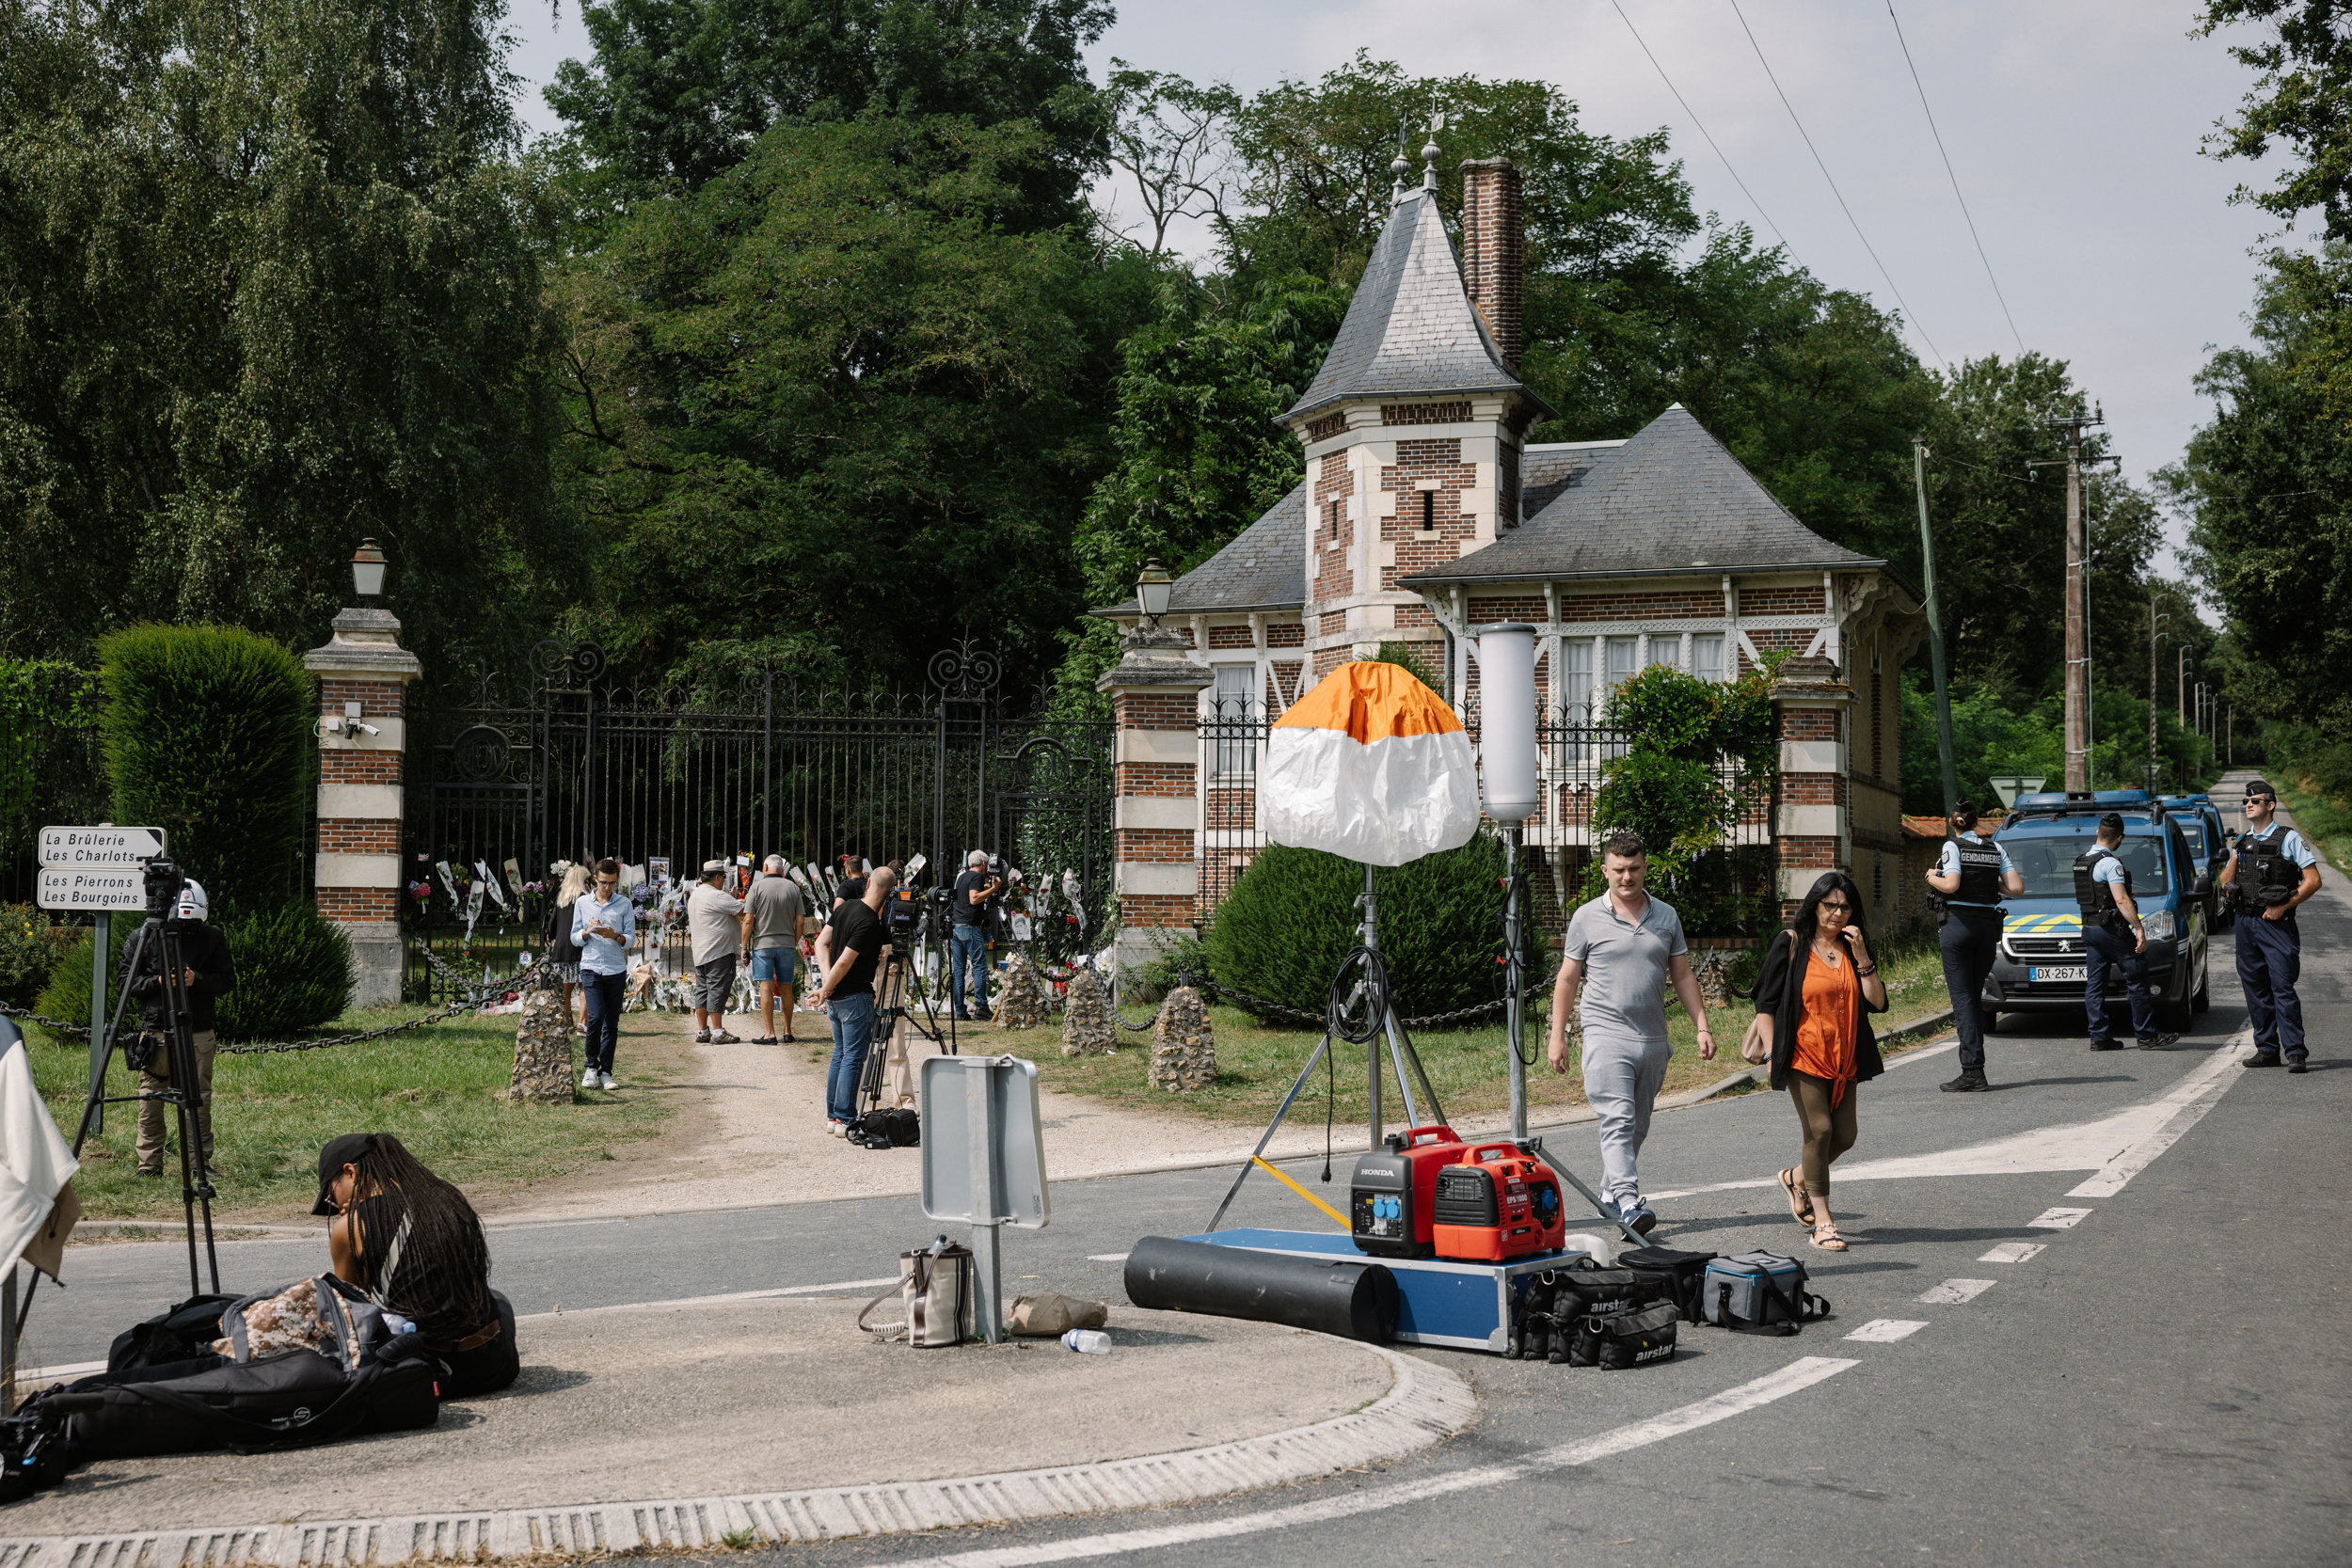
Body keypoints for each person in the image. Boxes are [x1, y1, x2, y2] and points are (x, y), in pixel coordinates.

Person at [1546, 832, 1713, 1234]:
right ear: (1605, 870)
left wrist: (1702, 1026)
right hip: (1605, 1034)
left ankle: (1609, 1195)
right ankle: (1628, 1199)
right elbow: (1568, 979)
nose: (1626, 877)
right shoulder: (1586, 917)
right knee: (1617, 1120)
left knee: (1637, 1125)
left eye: (1634, 868)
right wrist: (1558, 1034)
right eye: (1618, 870)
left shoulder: (1666, 915)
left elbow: (1683, 974)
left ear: (1645, 867)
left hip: (1652, 1037)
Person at [312, 1132, 517, 1397]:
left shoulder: (350, 1227)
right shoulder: (447, 1198)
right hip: (495, 1368)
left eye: (331, 1196)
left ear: (350, 1172)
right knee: (497, 1300)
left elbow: (352, 1309)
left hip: (426, 1375)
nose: (336, 1204)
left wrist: (354, 1221)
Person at [1749, 872, 1888, 1253]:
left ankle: (1796, 1178)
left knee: (1846, 1136)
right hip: (1803, 1054)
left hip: (1845, 1057)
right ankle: (1824, 1223)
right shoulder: (1792, 944)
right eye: (1830, 905)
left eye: (1845, 907)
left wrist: (1862, 959)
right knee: (1821, 1132)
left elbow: (1877, 1002)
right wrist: (1774, 1050)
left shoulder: (1851, 947)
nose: (1837, 913)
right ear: (1815, 905)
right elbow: (1766, 1003)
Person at [126, 878, 235, 1178]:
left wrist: (196, 980)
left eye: (193, 925)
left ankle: (200, 1164)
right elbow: (126, 984)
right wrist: (159, 982)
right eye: (182, 924)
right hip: (155, 1030)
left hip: (197, 1030)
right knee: (151, 1098)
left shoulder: (213, 938)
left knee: (198, 1099)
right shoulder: (144, 937)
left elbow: (227, 981)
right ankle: (148, 1166)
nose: (187, 930)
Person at [2219, 779, 2324, 1071]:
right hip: (2245, 922)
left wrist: (2284, 905)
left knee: (2282, 987)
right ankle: (2266, 1049)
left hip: (2275, 924)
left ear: (2270, 805)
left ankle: (2295, 1053)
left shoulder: (2288, 838)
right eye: (2246, 801)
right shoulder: (2243, 841)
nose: (2249, 804)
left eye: (2255, 800)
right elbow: (2225, 882)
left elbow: (2313, 881)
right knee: (2255, 989)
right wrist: (2236, 856)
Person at [1925, 801, 2022, 1094]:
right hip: (1986, 929)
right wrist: (1991, 886)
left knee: (1963, 1000)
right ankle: (1972, 1066)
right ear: (1975, 822)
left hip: (1958, 927)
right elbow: (2016, 888)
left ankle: (1972, 1071)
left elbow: (1951, 884)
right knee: (1973, 998)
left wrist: (1931, 877)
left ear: (1954, 823)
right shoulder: (1995, 848)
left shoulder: (1952, 847)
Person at [2076, 813, 2175, 1053]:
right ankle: (2147, 1035)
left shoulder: (2081, 860)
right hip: (2111, 930)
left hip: (2090, 928)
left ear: (2097, 833)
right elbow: (2121, 900)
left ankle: (2099, 1037)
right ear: (2119, 838)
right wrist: (2139, 928)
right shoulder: (2111, 863)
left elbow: (2096, 895)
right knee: (2137, 976)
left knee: (2095, 985)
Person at [811, 865, 893, 1136]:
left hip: (837, 997)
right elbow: (845, 960)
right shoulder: (870, 922)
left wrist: (827, 985)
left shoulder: (845, 908)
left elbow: (821, 943)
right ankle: (845, 1117)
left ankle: (833, 1115)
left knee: (840, 1054)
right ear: (890, 892)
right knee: (853, 1058)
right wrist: (827, 986)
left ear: (867, 882)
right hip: (855, 996)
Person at [570, 858, 634, 1090]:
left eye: (612, 883)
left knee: (611, 1024)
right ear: (595, 879)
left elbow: (631, 939)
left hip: (615, 969)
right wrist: (587, 932)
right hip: (591, 967)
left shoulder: (624, 904)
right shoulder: (582, 903)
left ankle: (606, 1071)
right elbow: (574, 937)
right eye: (604, 882)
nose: (608, 888)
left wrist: (614, 935)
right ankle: (590, 1067)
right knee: (595, 1018)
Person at [742, 855, 805, 1044]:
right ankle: (788, 1031)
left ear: (766, 867)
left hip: (763, 945)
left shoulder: (757, 887)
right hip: (786, 944)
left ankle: (770, 1033)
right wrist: (793, 941)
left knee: (766, 988)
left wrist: (743, 945)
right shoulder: (793, 888)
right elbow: (800, 920)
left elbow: (748, 919)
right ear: (782, 870)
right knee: (786, 987)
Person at [685, 860, 746, 1045]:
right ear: (717, 877)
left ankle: (703, 1030)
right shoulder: (717, 896)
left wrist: (730, 898)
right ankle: (718, 1032)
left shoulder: (696, 895)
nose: (724, 882)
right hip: (719, 951)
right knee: (718, 990)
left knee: (703, 991)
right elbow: (744, 911)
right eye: (724, 878)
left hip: (701, 951)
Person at [949, 850, 999, 1021]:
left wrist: (988, 886)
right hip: (970, 927)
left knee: (959, 971)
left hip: (956, 927)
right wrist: (993, 889)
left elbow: (969, 891)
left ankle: (960, 1010)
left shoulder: (963, 877)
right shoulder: (977, 877)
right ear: (984, 863)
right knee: (979, 966)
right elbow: (974, 898)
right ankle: (982, 1007)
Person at [544, 863, 590, 1031]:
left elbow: (552, 923)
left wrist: (550, 935)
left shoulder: (562, 897)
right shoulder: (585, 898)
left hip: (562, 948)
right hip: (580, 947)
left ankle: (568, 1022)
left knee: (566, 990)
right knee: (584, 987)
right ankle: (582, 1023)